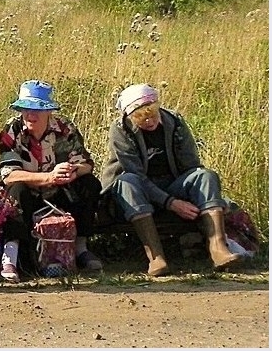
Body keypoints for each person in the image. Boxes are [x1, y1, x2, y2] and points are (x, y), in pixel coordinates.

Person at [100, 83, 239, 276]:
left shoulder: (175, 121)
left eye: (152, 113)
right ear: (130, 116)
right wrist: (170, 203)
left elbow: (191, 165)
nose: (149, 120)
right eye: (140, 117)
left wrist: (188, 195)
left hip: (172, 184)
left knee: (205, 175)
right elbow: (136, 173)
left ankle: (218, 248)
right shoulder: (121, 129)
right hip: (138, 190)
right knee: (127, 181)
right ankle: (156, 257)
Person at [0, 80, 103, 283]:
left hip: (61, 191)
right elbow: (8, 174)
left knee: (89, 184)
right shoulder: (11, 130)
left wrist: (72, 172)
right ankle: (11, 253)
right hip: (29, 191)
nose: (31, 115)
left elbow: (87, 163)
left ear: (49, 112)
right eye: (26, 109)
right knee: (15, 190)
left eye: (37, 110)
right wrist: (48, 177)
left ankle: (80, 247)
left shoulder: (65, 128)